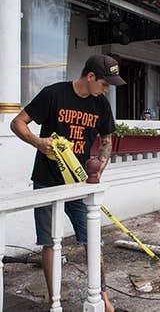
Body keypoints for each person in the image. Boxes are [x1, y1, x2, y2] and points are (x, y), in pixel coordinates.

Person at [10, 54, 126, 312]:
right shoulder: (53, 94)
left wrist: (99, 168)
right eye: (105, 84)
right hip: (47, 181)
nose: (107, 90)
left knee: (93, 239)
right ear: (90, 76)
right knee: (50, 242)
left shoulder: (101, 104)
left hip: (79, 182)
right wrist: (38, 143)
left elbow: (106, 140)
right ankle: (54, 302)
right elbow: (17, 122)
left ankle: (103, 296)